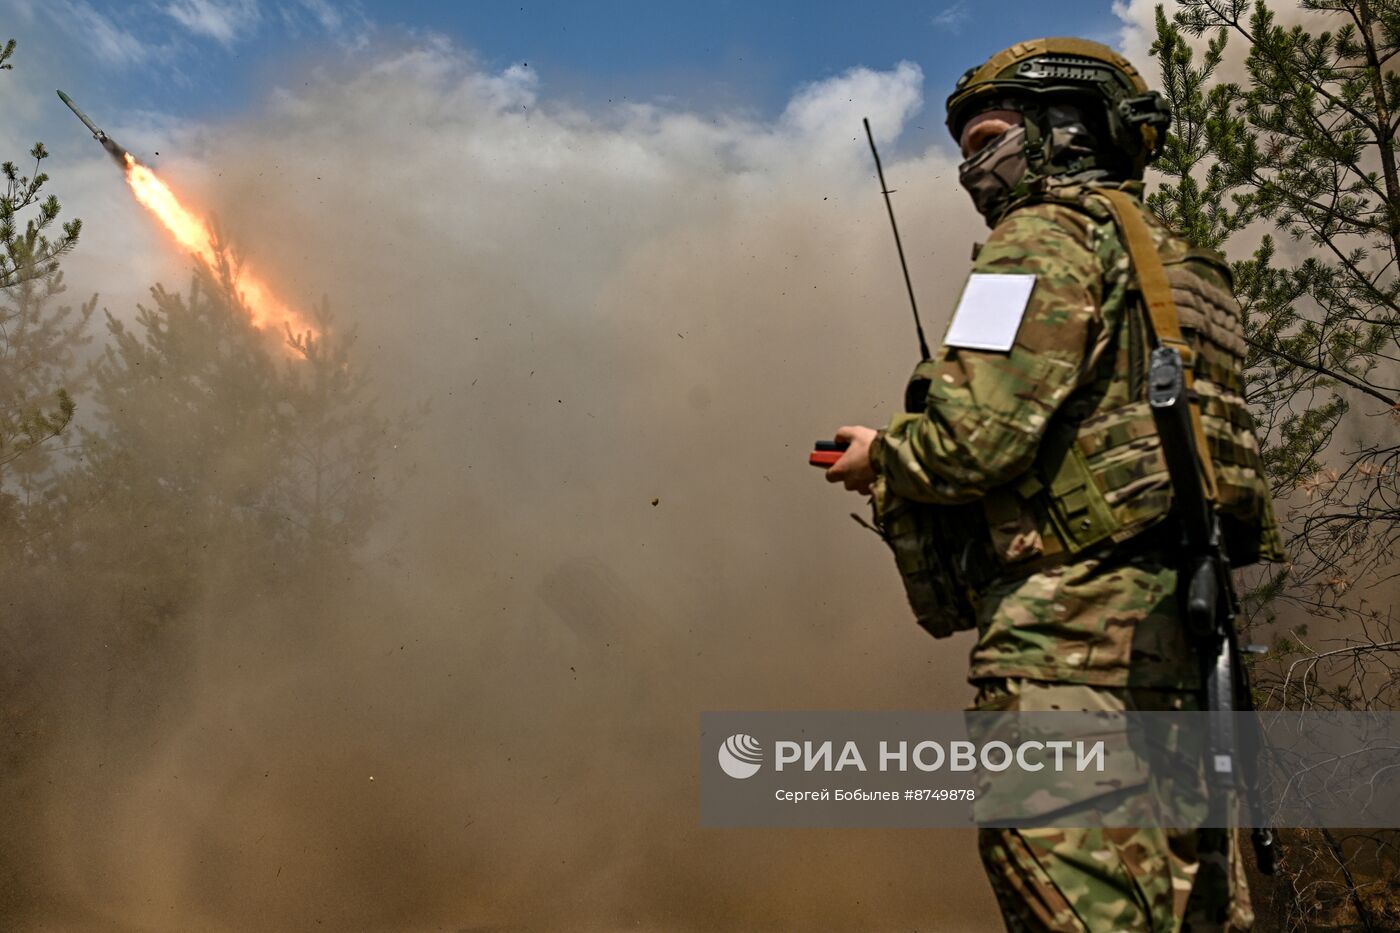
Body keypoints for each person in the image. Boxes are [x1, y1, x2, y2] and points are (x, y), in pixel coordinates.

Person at [824, 38, 1283, 932]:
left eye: (988, 137)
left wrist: (882, 456)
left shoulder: (1042, 237)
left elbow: (972, 438)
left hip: (1071, 652)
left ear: (1064, 130)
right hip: (1183, 645)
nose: (972, 168)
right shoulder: (1185, 265)